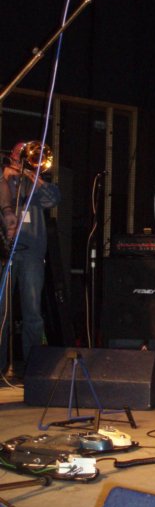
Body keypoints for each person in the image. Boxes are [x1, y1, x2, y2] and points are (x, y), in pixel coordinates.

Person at [0, 141, 61, 375]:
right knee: (1, 312)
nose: (23, 158)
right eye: (19, 154)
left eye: (26, 155)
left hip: (32, 253)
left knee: (33, 313)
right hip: (5, 252)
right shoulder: (3, 179)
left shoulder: (34, 183)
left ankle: (32, 370)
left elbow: (53, 199)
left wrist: (31, 174)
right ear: (11, 156)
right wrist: (5, 177)